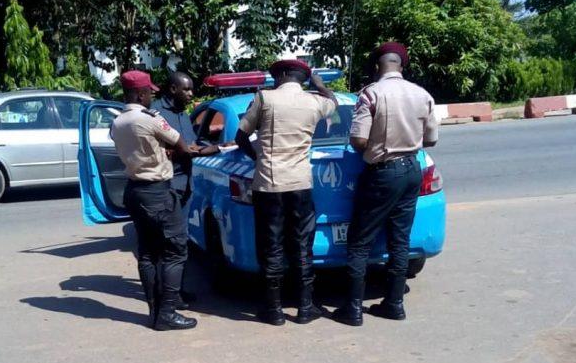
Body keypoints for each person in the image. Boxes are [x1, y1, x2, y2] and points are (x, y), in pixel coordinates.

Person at [332, 41, 439, 326]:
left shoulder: (371, 94)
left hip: (383, 172)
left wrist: (375, 146)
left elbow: (358, 140)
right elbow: (430, 140)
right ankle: (394, 304)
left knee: (359, 241)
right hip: (412, 169)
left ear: (378, 66)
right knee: (399, 239)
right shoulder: (422, 94)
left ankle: (353, 310)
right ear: (401, 66)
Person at [235, 60, 337, 326]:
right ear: (303, 78)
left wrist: (258, 159)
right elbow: (333, 104)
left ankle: (274, 310)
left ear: (281, 75)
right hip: (301, 184)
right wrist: (321, 86)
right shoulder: (315, 102)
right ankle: (305, 308)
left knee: (271, 247)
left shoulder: (265, 98)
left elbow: (241, 137)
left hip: (268, 184)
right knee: (302, 246)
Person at [110, 70, 198, 331]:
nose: (152, 96)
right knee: (175, 250)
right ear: (140, 94)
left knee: (147, 253)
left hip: (134, 190)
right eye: (149, 92)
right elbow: (182, 146)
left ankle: (155, 311)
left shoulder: (117, 122)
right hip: (157, 191)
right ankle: (168, 313)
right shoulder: (150, 119)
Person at [151, 71, 219, 309]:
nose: (191, 94)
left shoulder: (182, 113)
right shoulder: (157, 113)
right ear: (172, 89)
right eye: (187, 89)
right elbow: (168, 149)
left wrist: (213, 147)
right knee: (168, 244)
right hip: (167, 185)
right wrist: (201, 150)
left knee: (180, 242)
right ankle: (167, 296)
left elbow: (191, 143)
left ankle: (176, 290)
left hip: (185, 185)